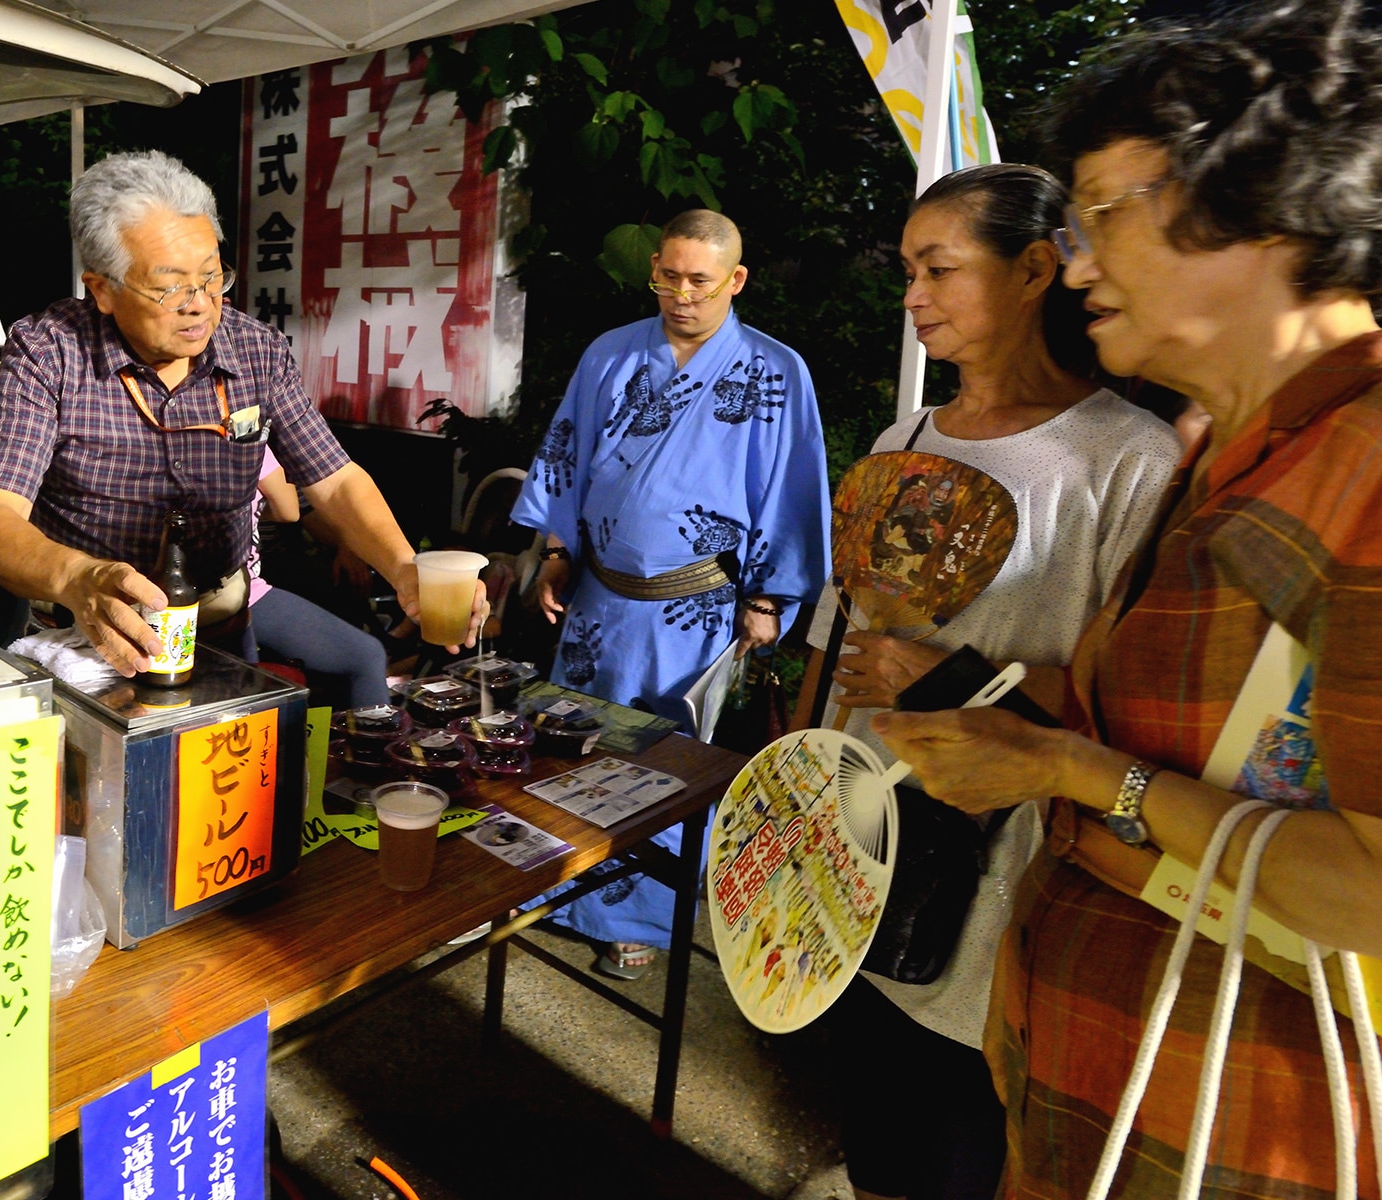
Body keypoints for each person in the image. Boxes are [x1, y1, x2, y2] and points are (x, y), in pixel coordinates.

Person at [871, 5, 1382, 1196]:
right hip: (1095, 1088)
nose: (1082, 259)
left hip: (1241, 1124)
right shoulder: (1226, 449)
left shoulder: (1361, 474)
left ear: (1263, 204)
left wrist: (1071, 772)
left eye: (1104, 211)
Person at [794, 164, 1179, 1200]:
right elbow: (835, 647)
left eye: (939, 268)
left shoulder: (1125, 462)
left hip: (1003, 873)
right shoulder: (899, 439)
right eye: (909, 270)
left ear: (1034, 270)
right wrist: (790, 789)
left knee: (967, 1140)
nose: (912, 294)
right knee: (875, 1129)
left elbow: (1136, 709)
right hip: (862, 841)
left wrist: (951, 675)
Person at [0, 151, 484, 674]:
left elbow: (335, 481)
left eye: (212, 277)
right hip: (89, 640)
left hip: (223, 630)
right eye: (170, 286)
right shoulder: (50, 351)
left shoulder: (254, 349)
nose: (200, 304)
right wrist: (76, 576)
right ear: (102, 288)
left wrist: (404, 567)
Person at [513, 209, 832, 978]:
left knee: (666, 764)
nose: (681, 294)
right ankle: (558, 887)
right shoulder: (610, 355)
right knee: (571, 744)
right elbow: (568, 453)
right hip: (598, 598)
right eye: (669, 276)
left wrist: (770, 598)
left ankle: (641, 919)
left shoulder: (775, 371)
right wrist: (556, 551)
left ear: (736, 280)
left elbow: (794, 490)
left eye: (699, 280)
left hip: (695, 611)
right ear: (653, 267)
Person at [245, 448, 391, 708]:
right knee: (367, 656)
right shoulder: (250, 440)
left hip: (231, 589)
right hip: (246, 590)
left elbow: (307, 509)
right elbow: (289, 510)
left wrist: (347, 548)